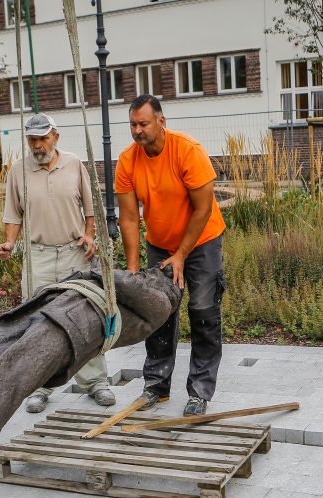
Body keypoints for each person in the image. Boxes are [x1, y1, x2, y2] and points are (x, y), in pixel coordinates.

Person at [0, 266, 182, 498]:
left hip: (70, 329)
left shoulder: (161, 304)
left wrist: (101, 269)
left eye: (156, 274)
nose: (148, 272)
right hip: (47, 310)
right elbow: (100, 276)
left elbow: (116, 279)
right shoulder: (128, 285)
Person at [0, 113, 116, 413]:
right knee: (38, 323)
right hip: (39, 256)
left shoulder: (74, 164)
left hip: (75, 253)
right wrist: (9, 243)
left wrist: (90, 237)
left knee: (87, 316)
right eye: (32, 140)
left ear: (55, 137)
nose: (37, 145)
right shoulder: (19, 171)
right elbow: (13, 215)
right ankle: (41, 386)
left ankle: (96, 382)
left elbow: (91, 209)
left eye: (42, 138)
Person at [115, 95, 227, 417]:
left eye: (143, 124)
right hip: (160, 243)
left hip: (201, 240)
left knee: (203, 310)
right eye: (133, 125)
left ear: (161, 121)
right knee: (158, 312)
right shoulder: (128, 160)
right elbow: (129, 218)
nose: (137, 131)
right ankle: (156, 387)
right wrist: (134, 272)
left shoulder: (187, 150)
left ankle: (200, 391)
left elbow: (203, 208)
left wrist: (181, 254)